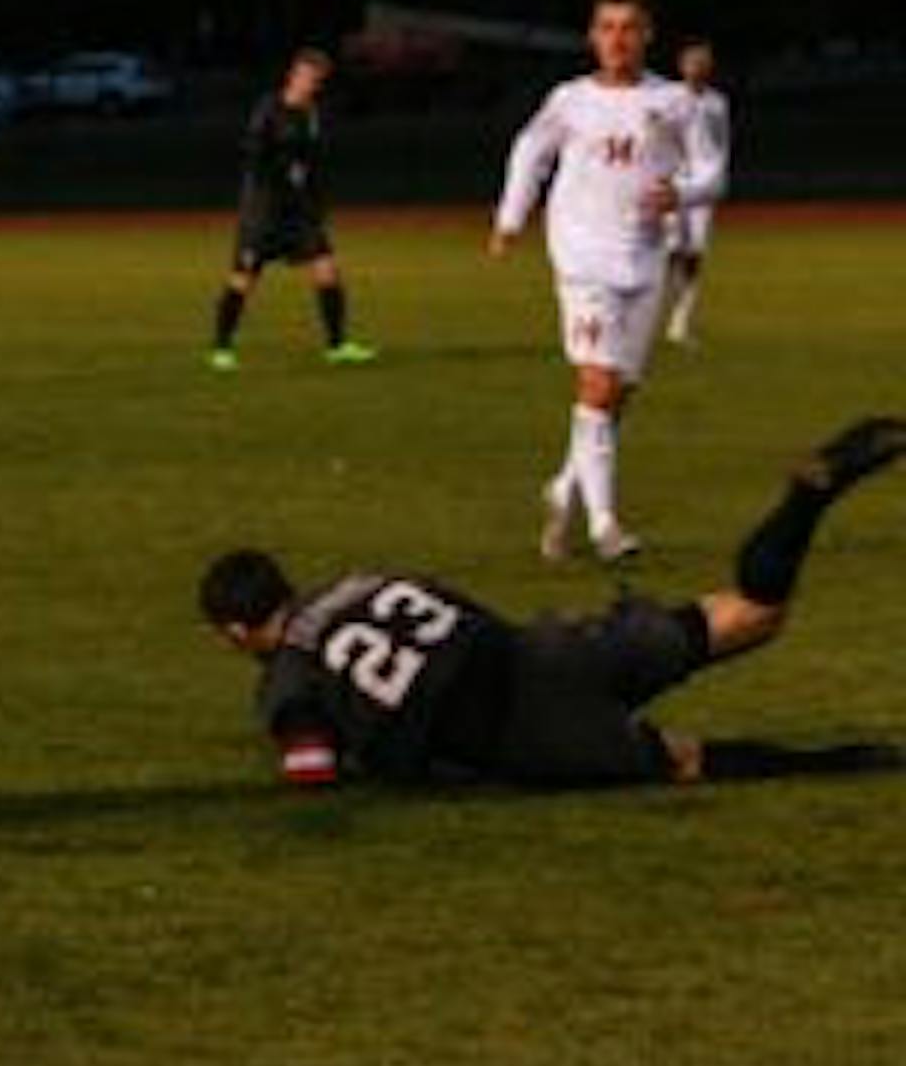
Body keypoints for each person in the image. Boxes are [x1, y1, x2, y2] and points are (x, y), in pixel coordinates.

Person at [199, 417, 905, 789]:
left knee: (679, 759)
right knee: (751, 611)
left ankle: (854, 761)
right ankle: (804, 501)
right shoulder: (360, 579)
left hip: (522, 727)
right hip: (544, 646)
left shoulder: (286, 678)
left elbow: (312, 769)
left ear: (236, 630)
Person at [491, 0, 726, 562]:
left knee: (617, 396)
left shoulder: (675, 102)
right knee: (596, 384)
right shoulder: (570, 100)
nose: (617, 39)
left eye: (628, 29)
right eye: (607, 29)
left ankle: (564, 491)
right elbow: (529, 150)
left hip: (645, 259)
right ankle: (604, 526)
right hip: (581, 258)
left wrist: (685, 193)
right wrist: (511, 216)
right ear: (592, 37)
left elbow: (713, 172)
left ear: (647, 36)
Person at [208, 48, 378, 371]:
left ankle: (337, 346)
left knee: (328, 271)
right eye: (306, 76)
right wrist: (280, 170)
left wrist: (316, 200)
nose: (310, 84)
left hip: (298, 215)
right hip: (264, 214)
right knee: (243, 279)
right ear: (293, 75)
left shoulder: (312, 115)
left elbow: (313, 164)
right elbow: (255, 155)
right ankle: (221, 348)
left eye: (317, 80)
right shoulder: (269, 109)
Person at [662, 37, 733, 347]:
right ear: (681, 66)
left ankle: (681, 322)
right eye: (693, 61)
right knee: (668, 250)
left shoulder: (718, 103)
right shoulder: (668, 98)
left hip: (702, 188)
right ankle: (645, 315)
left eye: (703, 62)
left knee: (694, 255)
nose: (698, 67)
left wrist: (718, 178)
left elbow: (721, 144)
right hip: (674, 182)